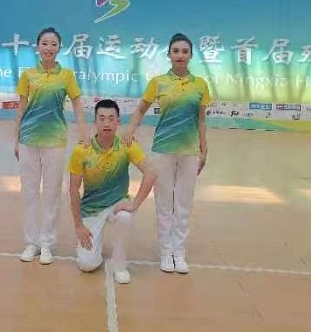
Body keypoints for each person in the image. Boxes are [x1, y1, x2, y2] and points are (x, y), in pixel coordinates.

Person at [123, 33, 211, 274]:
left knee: (183, 204)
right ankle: (165, 252)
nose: (180, 55)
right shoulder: (158, 82)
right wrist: (130, 130)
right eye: (176, 51)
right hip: (163, 150)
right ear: (169, 55)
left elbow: (201, 120)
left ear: (190, 55)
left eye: (185, 51)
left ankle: (179, 253)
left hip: (189, 152)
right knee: (164, 203)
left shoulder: (200, 85)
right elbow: (141, 110)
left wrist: (203, 149)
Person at [14, 27, 89, 265]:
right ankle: (31, 242)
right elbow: (21, 108)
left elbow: (77, 104)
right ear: (38, 47)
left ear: (59, 48)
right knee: (29, 192)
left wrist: (84, 133)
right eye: (45, 43)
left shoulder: (66, 75)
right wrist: (16, 138)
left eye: (53, 44)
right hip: (28, 139)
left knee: (52, 193)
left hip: (55, 140)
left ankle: (46, 243)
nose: (48, 48)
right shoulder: (28, 75)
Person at [69, 99, 156, 284]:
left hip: (117, 204)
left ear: (118, 122)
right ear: (95, 122)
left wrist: (134, 204)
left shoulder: (126, 145)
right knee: (87, 265)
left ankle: (119, 264)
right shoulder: (81, 151)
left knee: (125, 217)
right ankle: (94, 249)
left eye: (111, 118)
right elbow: (73, 190)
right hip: (91, 209)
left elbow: (150, 173)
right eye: (101, 118)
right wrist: (78, 225)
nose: (106, 123)